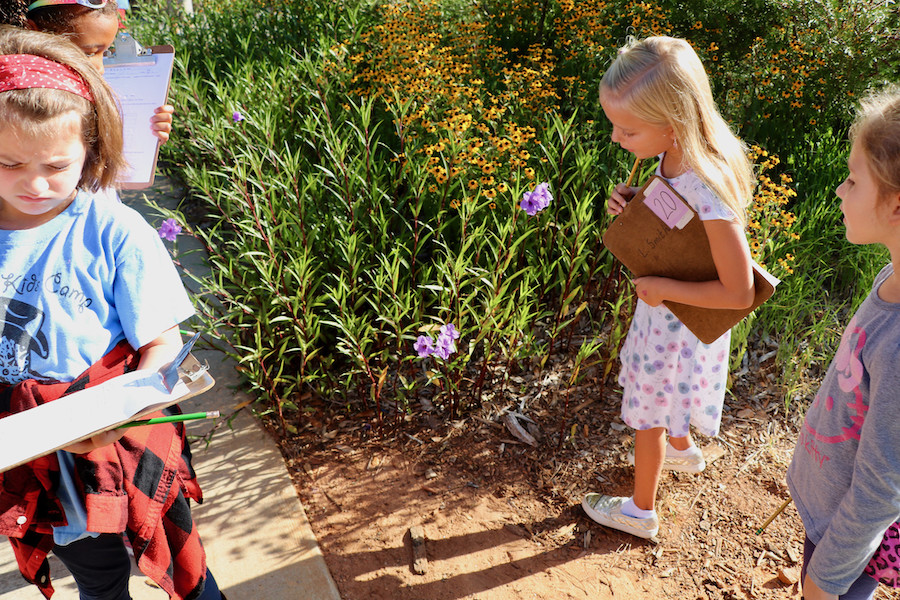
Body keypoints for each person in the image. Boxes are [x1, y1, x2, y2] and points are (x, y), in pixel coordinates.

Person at [0, 26, 224, 600]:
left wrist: (119, 415)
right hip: (35, 459)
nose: (33, 183)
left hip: (121, 436)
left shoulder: (111, 229)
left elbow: (163, 344)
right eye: (7, 163)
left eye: (56, 164)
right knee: (96, 576)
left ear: (92, 151)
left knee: (182, 567)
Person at [581, 36, 756, 539]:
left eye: (628, 129)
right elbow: (682, 224)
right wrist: (638, 202)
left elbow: (739, 293)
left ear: (673, 121)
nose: (616, 138)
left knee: (648, 412)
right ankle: (680, 448)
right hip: (671, 315)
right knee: (666, 401)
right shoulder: (677, 160)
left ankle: (640, 510)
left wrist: (659, 287)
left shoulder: (708, 185)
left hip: (677, 324)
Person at [787, 87, 900, 600]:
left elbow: (882, 487)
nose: (839, 190)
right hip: (833, 522)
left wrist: (826, 579)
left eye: (854, 179)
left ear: (897, 203)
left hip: (849, 544)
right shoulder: (888, 278)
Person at [16, 0, 174, 144]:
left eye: (105, 52)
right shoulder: (14, 105)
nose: (101, 68)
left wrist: (145, 135)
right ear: (35, 32)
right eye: (89, 53)